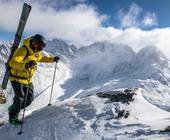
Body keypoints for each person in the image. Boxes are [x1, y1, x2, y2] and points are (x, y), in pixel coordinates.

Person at [8, 34, 60, 125]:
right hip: (17, 79)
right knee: (19, 99)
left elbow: (42, 58)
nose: (40, 49)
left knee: (29, 100)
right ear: (34, 43)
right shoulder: (23, 50)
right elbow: (13, 63)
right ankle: (13, 118)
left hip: (28, 79)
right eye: (39, 46)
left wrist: (52, 59)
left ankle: (13, 108)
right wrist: (26, 65)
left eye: (42, 47)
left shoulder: (36, 52)